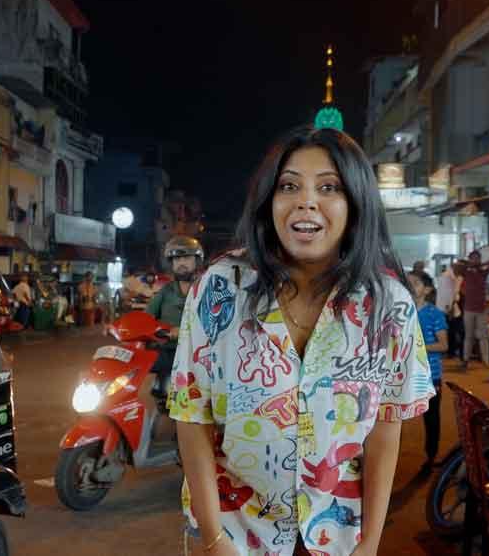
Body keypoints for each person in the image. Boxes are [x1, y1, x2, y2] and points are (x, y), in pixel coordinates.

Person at [169, 127, 434, 556]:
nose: (306, 201)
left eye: (329, 187)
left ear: (356, 203)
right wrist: (214, 539)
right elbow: (191, 414)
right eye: (289, 186)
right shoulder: (219, 288)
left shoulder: (390, 307)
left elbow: (385, 432)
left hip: (338, 534)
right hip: (237, 532)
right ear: (268, 202)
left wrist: (370, 542)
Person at [145, 236, 204, 401]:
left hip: (197, 355)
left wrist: (183, 331)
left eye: (186, 258)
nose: (181, 263)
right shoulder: (166, 291)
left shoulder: (206, 289)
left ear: (197, 261)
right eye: (177, 259)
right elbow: (146, 317)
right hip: (167, 352)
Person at [408, 270, 447, 474]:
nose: (410, 285)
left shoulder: (434, 314)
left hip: (430, 376)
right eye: (407, 282)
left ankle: (431, 456)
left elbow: (443, 345)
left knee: (431, 418)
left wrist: (415, 345)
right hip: (403, 375)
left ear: (427, 289)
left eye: (415, 283)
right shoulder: (402, 310)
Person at [458, 250, 489, 367]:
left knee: (483, 336)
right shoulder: (465, 271)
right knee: (468, 336)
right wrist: (472, 265)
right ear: (469, 259)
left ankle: (485, 360)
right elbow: (457, 265)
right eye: (473, 258)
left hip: (481, 309)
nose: (475, 260)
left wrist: (479, 265)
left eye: (477, 258)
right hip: (469, 309)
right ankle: (466, 360)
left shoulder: (483, 272)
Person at [436, 264, 464, 362]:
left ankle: (452, 352)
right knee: (452, 331)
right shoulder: (450, 278)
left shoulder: (448, 277)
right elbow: (450, 293)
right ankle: (452, 352)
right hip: (450, 309)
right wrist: (450, 306)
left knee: (452, 331)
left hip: (449, 308)